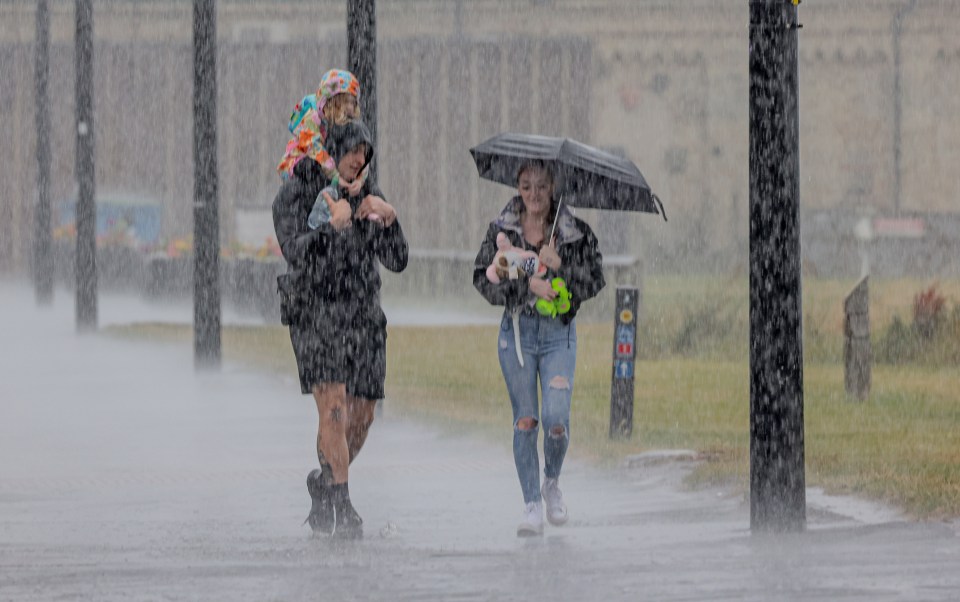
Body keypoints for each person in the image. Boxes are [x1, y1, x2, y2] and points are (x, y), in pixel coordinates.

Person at [272, 117, 407, 539]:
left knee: (362, 414)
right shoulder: (297, 193)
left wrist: (388, 219)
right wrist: (333, 228)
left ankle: (326, 482)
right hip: (316, 313)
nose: (358, 161)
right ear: (330, 151)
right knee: (332, 406)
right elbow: (296, 253)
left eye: (364, 154)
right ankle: (344, 506)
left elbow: (399, 259)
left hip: (363, 315)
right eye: (351, 152)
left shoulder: (369, 193)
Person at [473, 160, 605, 536]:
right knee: (526, 419)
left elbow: (595, 279)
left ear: (554, 189)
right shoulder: (502, 229)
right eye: (527, 186)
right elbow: (482, 278)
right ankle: (531, 504)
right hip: (516, 333)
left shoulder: (575, 232)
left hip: (557, 334)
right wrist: (525, 284)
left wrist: (560, 265)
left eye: (542, 187)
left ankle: (551, 481)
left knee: (556, 420)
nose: (534, 194)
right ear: (517, 186)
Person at [277, 69, 376, 220]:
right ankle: (320, 212)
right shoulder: (312, 118)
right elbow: (314, 149)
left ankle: (356, 212)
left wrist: (360, 180)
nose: (350, 107)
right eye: (347, 101)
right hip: (300, 159)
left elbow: (362, 157)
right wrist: (335, 176)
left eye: (353, 102)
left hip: (325, 163)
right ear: (333, 101)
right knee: (316, 174)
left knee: (339, 181)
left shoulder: (343, 124)